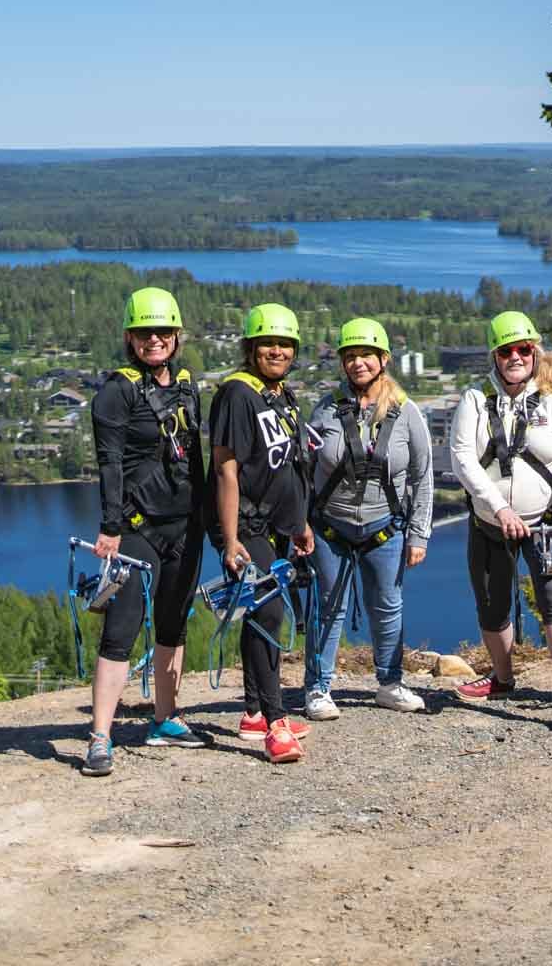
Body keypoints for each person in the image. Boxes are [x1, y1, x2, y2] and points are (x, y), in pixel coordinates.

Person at [80, 287, 208, 776]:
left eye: (162, 332)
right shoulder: (117, 391)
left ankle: (165, 718)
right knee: (122, 627)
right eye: (143, 333)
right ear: (130, 338)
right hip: (135, 528)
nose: (153, 340)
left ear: (177, 336)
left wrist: (211, 523)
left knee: (174, 622)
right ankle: (99, 737)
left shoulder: (186, 385)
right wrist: (110, 527)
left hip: (184, 525)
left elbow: (194, 457)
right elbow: (108, 462)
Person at [448, 311, 552, 735]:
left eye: (523, 349)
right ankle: (503, 677)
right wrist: (500, 509)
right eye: (506, 351)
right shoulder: (475, 400)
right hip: (490, 523)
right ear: (494, 356)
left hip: (546, 524)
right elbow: (462, 460)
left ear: (535, 352)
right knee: (492, 608)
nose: (515, 357)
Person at [301, 318, 434, 720]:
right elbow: (305, 469)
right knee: (327, 607)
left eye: (366, 355)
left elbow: (422, 476)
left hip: (385, 526)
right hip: (330, 526)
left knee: (387, 605)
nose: (358, 363)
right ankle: (318, 688)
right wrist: (300, 524)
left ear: (383, 360)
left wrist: (419, 535)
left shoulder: (406, 412)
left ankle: (391, 683)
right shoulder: (324, 410)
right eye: (351, 356)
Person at [210, 302, 318, 764]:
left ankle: (254, 712)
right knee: (269, 614)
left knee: (259, 617)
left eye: (285, 344)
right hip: (245, 526)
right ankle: (276, 724)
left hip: (275, 526)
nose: (278, 351)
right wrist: (231, 540)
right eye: (268, 343)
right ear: (251, 347)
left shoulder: (281, 396)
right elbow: (226, 470)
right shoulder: (238, 394)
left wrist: (300, 524)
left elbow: (289, 467)